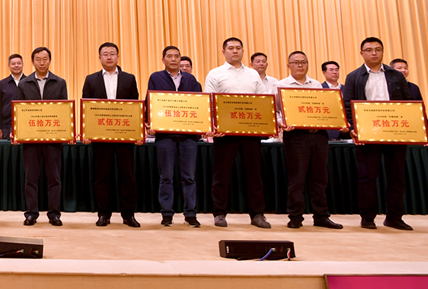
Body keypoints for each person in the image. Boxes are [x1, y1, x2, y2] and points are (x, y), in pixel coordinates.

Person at [343, 37, 414, 230]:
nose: (373, 53)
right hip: (367, 134)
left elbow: (408, 102)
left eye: (377, 49)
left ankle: (394, 217)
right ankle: (367, 217)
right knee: (367, 178)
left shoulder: (396, 75)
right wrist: (353, 128)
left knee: (396, 177)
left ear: (383, 52)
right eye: (369, 50)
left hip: (395, 132)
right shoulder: (354, 77)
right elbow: (348, 105)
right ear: (361, 53)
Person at [205, 37, 271, 229]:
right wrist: (213, 126)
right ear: (224, 51)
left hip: (251, 132)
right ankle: (219, 213)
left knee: (254, 175)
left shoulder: (253, 74)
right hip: (224, 133)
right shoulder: (215, 73)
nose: (235, 51)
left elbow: (262, 102)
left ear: (243, 51)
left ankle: (257, 214)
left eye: (238, 48)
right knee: (221, 175)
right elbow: (209, 102)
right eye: (231, 48)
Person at [274, 51, 344, 229]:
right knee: (297, 178)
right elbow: (275, 112)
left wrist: (339, 121)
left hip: (319, 135)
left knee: (320, 178)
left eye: (303, 62)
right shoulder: (280, 85)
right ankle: (295, 216)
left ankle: (321, 216)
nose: (300, 65)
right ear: (288, 65)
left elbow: (324, 108)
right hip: (296, 136)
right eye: (296, 62)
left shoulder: (316, 85)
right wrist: (282, 123)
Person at [82, 42, 141, 228]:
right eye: (105, 54)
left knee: (127, 176)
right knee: (102, 177)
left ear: (118, 57)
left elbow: (136, 107)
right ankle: (103, 214)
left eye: (112, 53)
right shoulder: (91, 79)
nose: (109, 57)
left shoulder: (129, 79)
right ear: (99, 58)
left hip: (125, 135)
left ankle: (128, 215)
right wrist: (86, 132)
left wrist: (138, 132)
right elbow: (86, 109)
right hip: (101, 136)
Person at [147, 46, 203, 228]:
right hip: (165, 136)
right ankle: (166, 214)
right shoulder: (156, 78)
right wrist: (150, 123)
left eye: (176, 56)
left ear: (180, 59)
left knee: (189, 177)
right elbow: (150, 103)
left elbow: (200, 104)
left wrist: (203, 126)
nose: (173, 59)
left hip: (188, 136)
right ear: (163, 59)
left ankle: (190, 214)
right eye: (169, 56)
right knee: (166, 177)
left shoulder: (191, 79)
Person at [15, 46, 69, 226]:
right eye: (38, 59)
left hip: (53, 139)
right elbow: (19, 110)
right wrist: (17, 131)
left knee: (54, 178)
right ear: (32, 62)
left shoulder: (60, 82)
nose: (41, 62)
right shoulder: (24, 83)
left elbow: (64, 110)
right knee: (31, 178)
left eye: (45, 59)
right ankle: (31, 213)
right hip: (30, 138)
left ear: (50, 61)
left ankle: (54, 214)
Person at [0, 54, 25, 139]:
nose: (16, 66)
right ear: (9, 66)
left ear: (22, 65)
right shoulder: (2, 83)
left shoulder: (29, 82)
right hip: (6, 125)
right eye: (13, 64)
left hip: (26, 123)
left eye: (19, 63)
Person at [321, 61, 344, 140]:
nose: (335, 72)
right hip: (328, 130)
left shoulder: (346, 88)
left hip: (345, 130)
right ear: (324, 73)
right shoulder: (320, 89)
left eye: (336, 70)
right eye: (331, 70)